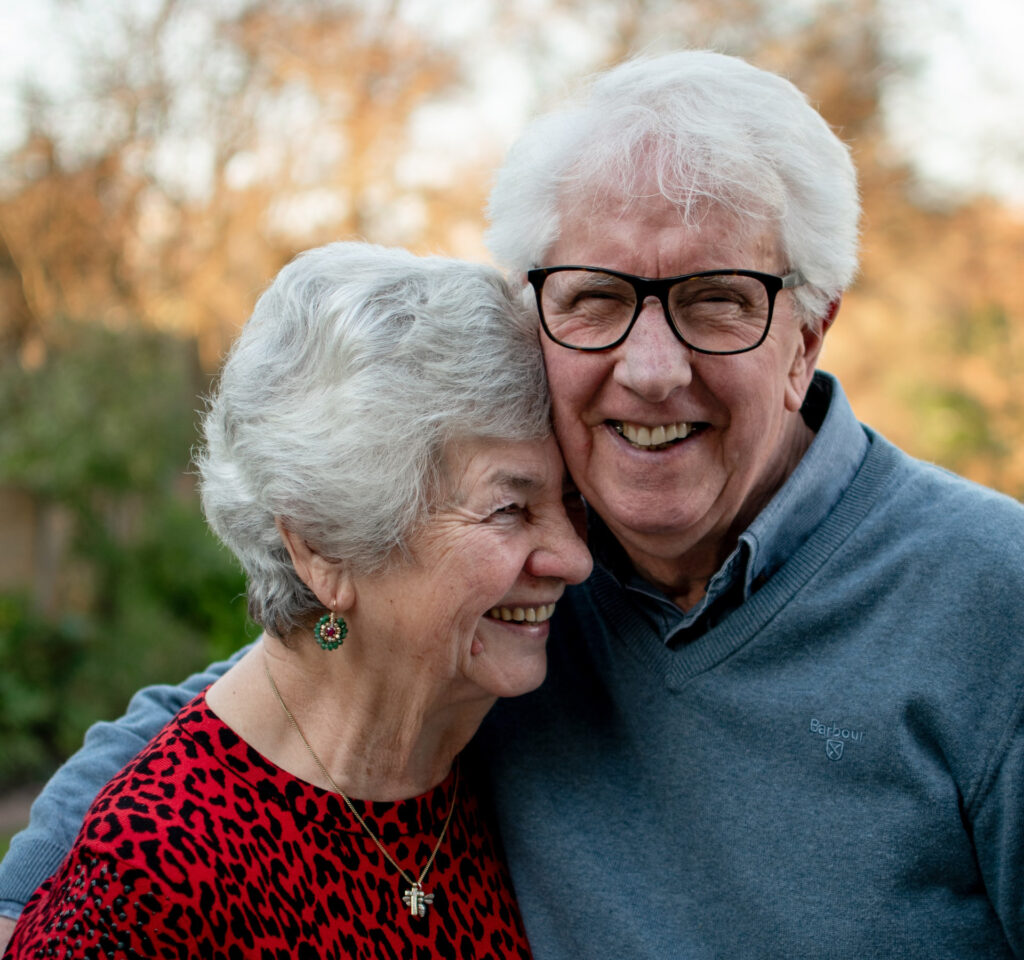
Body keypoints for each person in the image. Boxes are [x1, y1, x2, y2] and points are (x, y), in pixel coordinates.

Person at [3, 50, 1024, 959]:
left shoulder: (991, 601)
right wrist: (34, 900)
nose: (652, 371)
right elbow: (277, 687)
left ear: (807, 332)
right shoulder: (535, 575)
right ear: (540, 309)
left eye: (719, 298)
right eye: (599, 297)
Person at [0, 242, 592, 958]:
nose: (576, 559)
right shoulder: (155, 878)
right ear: (325, 548)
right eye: (509, 509)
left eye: (571, 502)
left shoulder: (481, 748)